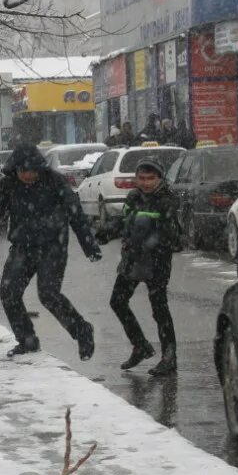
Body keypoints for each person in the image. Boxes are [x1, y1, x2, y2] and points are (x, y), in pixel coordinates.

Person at [0, 143, 101, 359]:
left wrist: (89, 245)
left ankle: (82, 330)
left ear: (39, 168)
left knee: (48, 294)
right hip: (23, 247)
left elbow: (75, 212)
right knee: (8, 293)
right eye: (23, 171)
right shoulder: (8, 186)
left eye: (32, 171)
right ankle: (27, 340)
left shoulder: (54, 181)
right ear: (15, 170)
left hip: (52, 246)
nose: (28, 176)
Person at [96, 158, 180, 376]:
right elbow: (125, 221)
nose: (145, 183)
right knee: (118, 301)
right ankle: (140, 345)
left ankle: (169, 357)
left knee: (159, 308)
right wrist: (106, 231)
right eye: (141, 178)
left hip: (156, 260)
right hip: (133, 258)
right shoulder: (134, 197)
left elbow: (173, 235)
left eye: (150, 178)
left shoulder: (166, 200)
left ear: (159, 179)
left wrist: (153, 238)